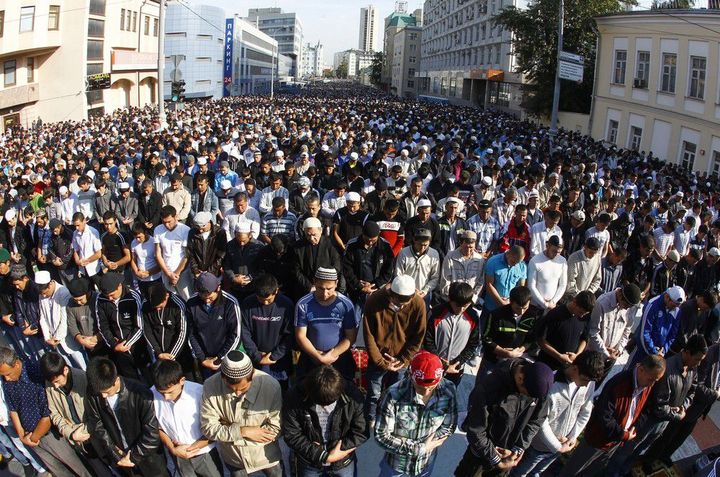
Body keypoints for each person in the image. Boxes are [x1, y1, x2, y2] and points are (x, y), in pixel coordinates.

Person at [606, 335, 707, 476]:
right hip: (647, 421)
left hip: (663, 422)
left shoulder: (691, 369)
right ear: (687, 352)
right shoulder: (668, 369)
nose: (698, 363)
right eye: (697, 359)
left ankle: (623, 471)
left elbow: (692, 389)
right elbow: (659, 406)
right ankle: (611, 472)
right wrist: (678, 414)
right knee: (628, 449)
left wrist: (684, 406)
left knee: (640, 449)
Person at [558, 355, 666, 477]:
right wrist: (623, 434)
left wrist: (634, 427)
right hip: (597, 440)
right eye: (651, 379)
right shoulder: (618, 384)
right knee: (572, 471)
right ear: (641, 369)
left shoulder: (646, 385)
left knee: (591, 472)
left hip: (614, 443)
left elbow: (645, 409)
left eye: (655, 381)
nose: (652, 384)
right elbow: (604, 417)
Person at [509, 351, 605, 477]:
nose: (587, 385)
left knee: (537, 472)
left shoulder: (589, 383)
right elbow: (540, 421)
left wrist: (572, 437)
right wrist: (557, 446)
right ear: (575, 368)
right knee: (520, 473)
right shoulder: (551, 385)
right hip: (538, 446)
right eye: (585, 380)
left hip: (561, 445)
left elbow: (585, 411)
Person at [0, 347, 93, 477]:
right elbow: (13, 409)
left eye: (8, 374)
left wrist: (33, 438)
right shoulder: (7, 381)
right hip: (30, 439)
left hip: (50, 436)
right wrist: (22, 436)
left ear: (16, 364)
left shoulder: (36, 374)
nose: (7, 379)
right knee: (59, 471)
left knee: (79, 467)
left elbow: (47, 414)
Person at [455, 359, 554, 477]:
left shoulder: (538, 387)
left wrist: (518, 448)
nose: (529, 398)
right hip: (479, 459)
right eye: (526, 394)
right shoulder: (489, 387)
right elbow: (476, 431)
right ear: (520, 378)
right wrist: (495, 458)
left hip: (507, 458)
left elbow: (536, 421)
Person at [200, 350, 283, 477]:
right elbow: (208, 429)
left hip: (266, 457)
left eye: (243, 388)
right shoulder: (210, 386)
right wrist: (243, 431)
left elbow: (275, 430)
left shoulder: (271, 386)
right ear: (223, 378)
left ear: (252, 375)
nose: (238, 393)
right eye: (231, 389)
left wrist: (228, 431)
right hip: (234, 459)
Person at [375, 351, 457, 477]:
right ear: (410, 375)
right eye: (420, 386)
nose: (425, 392)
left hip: (425, 463)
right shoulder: (393, 395)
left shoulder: (448, 390)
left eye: (431, 387)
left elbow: (449, 426)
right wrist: (420, 448)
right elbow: (381, 436)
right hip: (396, 464)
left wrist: (432, 443)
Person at [85, 357, 169, 476]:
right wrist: (115, 453)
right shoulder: (93, 392)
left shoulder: (141, 393)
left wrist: (132, 457)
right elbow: (96, 425)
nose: (103, 396)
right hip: (122, 461)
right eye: (100, 392)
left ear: (117, 380)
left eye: (107, 391)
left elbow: (152, 434)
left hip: (149, 461)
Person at [282, 365, 368, 477]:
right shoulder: (294, 397)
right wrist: (321, 455)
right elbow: (292, 434)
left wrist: (339, 453)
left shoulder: (353, 396)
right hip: (310, 462)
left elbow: (361, 432)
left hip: (343, 463)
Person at [363, 275, 427, 424]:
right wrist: (380, 362)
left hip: (401, 360)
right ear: (390, 294)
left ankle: (388, 417)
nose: (403, 306)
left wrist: (403, 359)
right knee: (374, 392)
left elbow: (418, 336)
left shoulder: (418, 304)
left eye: (407, 303)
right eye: (399, 302)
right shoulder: (374, 301)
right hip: (378, 357)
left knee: (396, 393)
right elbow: (369, 335)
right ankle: (371, 417)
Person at [39, 352, 111, 476]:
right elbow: (54, 413)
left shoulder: (84, 380)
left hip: (96, 435)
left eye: (57, 381)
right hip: (79, 441)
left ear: (65, 370)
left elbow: (98, 413)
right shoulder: (50, 382)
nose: (55, 386)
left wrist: (82, 431)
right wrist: (70, 433)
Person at [152, 359, 223, 477]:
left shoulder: (200, 393)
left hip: (205, 454)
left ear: (182, 381)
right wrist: (173, 449)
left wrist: (191, 448)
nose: (165, 397)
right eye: (161, 393)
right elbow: (156, 426)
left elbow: (218, 426)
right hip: (178, 456)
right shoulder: (151, 395)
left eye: (170, 392)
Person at [295, 267, 358, 380]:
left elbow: (351, 337)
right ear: (314, 282)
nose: (325, 293)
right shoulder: (303, 304)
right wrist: (317, 356)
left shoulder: (345, 305)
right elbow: (301, 335)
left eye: (329, 289)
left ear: (336, 284)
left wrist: (332, 355)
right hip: (311, 359)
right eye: (320, 288)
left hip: (339, 359)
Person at [239, 274, 294, 390]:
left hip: (279, 361)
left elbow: (290, 335)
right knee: (257, 390)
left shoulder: (286, 305)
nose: (265, 303)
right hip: (256, 359)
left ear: (276, 291)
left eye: (269, 300)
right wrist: (257, 355)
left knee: (280, 391)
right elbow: (244, 332)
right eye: (261, 299)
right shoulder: (248, 304)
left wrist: (274, 356)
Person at [95, 272, 150, 382]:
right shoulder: (100, 300)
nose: (110, 298)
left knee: (148, 374)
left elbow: (140, 326)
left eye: (112, 294)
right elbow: (103, 326)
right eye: (107, 296)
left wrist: (127, 343)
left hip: (138, 344)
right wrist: (114, 345)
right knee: (130, 379)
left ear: (119, 286)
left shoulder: (133, 297)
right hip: (118, 347)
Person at [424, 282, 481, 385]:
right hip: (434, 364)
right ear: (450, 300)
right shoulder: (436, 313)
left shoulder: (473, 317)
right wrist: (439, 361)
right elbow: (428, 340)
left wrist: (458, 362)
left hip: (456, 368)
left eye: (465, 306)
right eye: (457, 306)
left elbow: (473, 343)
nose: (461, 310)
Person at [185, 272, 241, 376]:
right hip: (204, 359)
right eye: (202, 295)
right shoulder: (191, 303)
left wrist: (220, 358)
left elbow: (235, 335)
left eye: (210, 296)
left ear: (218, 288)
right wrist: (202, 358)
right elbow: (190, 333)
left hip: (225, 357)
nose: (206, 300)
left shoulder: (230, 303)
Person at [586, 284, 643, 378]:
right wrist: (606, 353)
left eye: (630, 306)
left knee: (596, 386)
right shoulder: (602, 303)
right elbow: (593, 332)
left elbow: (627, 330)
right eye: (626, 305)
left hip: (613, 357)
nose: (627, 308)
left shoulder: (631, 307)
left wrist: (619, 350)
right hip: (595, 355)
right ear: (620, 294)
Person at [35, 270, 87, 370]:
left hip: (67, 339)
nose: (44, 296)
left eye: (45, 293)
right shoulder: (41, 294)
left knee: (82, 366)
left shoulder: (63, 293)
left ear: (50, 284)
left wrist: (57, 337)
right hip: (53, 340)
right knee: (68, 368)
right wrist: (47, 337)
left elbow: (65, 319)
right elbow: (42, 318)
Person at [480, 286, 534, 376]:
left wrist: (520, 350)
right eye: (517, 308)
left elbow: (532, 338)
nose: (521, 312)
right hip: (492, 360)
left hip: (514, 362)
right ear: (511, 302)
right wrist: (503, 352)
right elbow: (486, 338)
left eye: (525, 308)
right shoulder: (496, 315)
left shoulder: (532, 316)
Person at [142, 282, 194, 376]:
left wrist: (171, 355)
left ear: (166, 296)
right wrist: (158, 352)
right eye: (155, 307)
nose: (157, 309)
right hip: (160, 355)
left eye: (160, 306)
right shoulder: (146, 305)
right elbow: (147, 330)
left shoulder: (178, 305)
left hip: (180, 354)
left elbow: (182, 332)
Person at [536, 291, 596, 371]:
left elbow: (584, 338)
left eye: (585, 314)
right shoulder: (555, 314)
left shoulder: (585, 318)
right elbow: (541, 340)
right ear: (574, 302)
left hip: (567, 368)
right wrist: (559, 356)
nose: (581, 315)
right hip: (547, 365)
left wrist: (577, 355)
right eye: (580, 312)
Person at [342, 220, 395, 308]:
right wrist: (359, 286)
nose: (370, 243)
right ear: (362, 234)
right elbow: (347, 269)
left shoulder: (385, 246)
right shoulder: (352, 245)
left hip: (377, 290)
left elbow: (388, 270)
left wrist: (376, 285)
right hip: (356, 291)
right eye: (367, 240)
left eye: (373, 240)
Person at [629, 285, 685, 367]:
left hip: (658, 354)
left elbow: (673, 334)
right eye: (673, 306)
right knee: (629, 374)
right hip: (642, 351)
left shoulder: (676, 309)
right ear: (667, 297)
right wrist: (653, 351)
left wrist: (664, 350)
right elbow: (644, 333)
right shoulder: (652, 305)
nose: (675, 309)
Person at [291, 216, 343, 300]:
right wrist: (309, 286)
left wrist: (322, 285)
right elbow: (296, 270)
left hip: (326, 289)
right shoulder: (298, 247)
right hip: (305, 290)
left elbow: (337, 266)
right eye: (308, 235)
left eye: (314, 235)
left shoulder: (330, 244)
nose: (311, 238)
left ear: (321, 230)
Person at [394, 228, 440, 307]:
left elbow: (435, 277)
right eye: (420, 244)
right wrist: (412, 290)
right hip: (406, 293)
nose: (422, 248)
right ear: (414, 241)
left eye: (425, 245)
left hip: (424, 295)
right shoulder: (404, 253)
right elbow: (398, 274)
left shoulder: (434, 254)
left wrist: (425, 291)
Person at [155, 205, 193, 300]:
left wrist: (176, 274)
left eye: (169, 222)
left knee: (187, 298)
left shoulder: (185, 230)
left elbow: (186, 255)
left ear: (175, 217)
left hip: (182, 273)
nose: (167, 225)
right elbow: (158, 254)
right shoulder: (158, 230)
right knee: (170, 300)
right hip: (166, 272)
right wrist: (168, 274)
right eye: (164, 222)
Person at [437, 230, 485, 304]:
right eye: (466, 247)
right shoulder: (450, 257)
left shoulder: (480, 260)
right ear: (460, 243)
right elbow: (445, 281)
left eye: (471, 248)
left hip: (470, 302)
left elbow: (480, 282)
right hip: (452, 301)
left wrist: (472, 299)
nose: (468, 250)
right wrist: (452, 300)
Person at [66, 277, 107, 359]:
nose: (78, 302)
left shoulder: (98, 299)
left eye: (80, 299)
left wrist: (96, 338)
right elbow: (72, 325)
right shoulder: (71, 304)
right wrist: (80, 339)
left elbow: (107, 323)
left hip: (104, 342)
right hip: (87, 344)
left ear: (88, 293)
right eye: (75, 300)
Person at [527, 235, 567, 313]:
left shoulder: (563, 261)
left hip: (552, 306)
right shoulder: (535, 261)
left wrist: (553, 301)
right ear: (547, 246)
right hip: (535, 306)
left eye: (559, 252)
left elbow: (563, 284)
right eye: (554, 251)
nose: (556, 254)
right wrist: (543, 303)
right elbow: (531, 286)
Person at [482, 245, 527, 312]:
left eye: (518, 262)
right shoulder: (493, 261)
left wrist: (510, 301)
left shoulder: (522, 266)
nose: (515, 265)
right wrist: (501, 302)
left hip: (510, 306)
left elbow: (520, 287)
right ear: (508, 254)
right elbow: (489, 285)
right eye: (513, 261)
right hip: (491, 307)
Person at [187, 211, 227, 278]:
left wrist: (209, 272)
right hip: (198, 273)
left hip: (214, 273)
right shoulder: (192, 233)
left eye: (203, 227)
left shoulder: (219, 233)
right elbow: (190, 253)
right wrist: (196, 271)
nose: (200, 231)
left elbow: (221, 255)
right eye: (198, 227)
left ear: (209, 222)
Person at [130, 222, 163, 297]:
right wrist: (137, 272)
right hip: (141, 280)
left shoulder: (154, 242)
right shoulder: (133, 243)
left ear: (145, 232)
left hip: (154, 279)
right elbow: (133, 259)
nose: (137, 240)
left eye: (139, 237)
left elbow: (159, 263)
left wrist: (148, 273)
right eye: (135, 237)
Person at [71, 212, 102, 283]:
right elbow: (75, 250)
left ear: (84, 221)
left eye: (78, 225)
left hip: (94, 269)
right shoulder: (75, 233)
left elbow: (98, 254)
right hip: (83, 270)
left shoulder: (93, 232)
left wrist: (86, 261)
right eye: (75, 226)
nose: (76, 228)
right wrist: (77, 261)